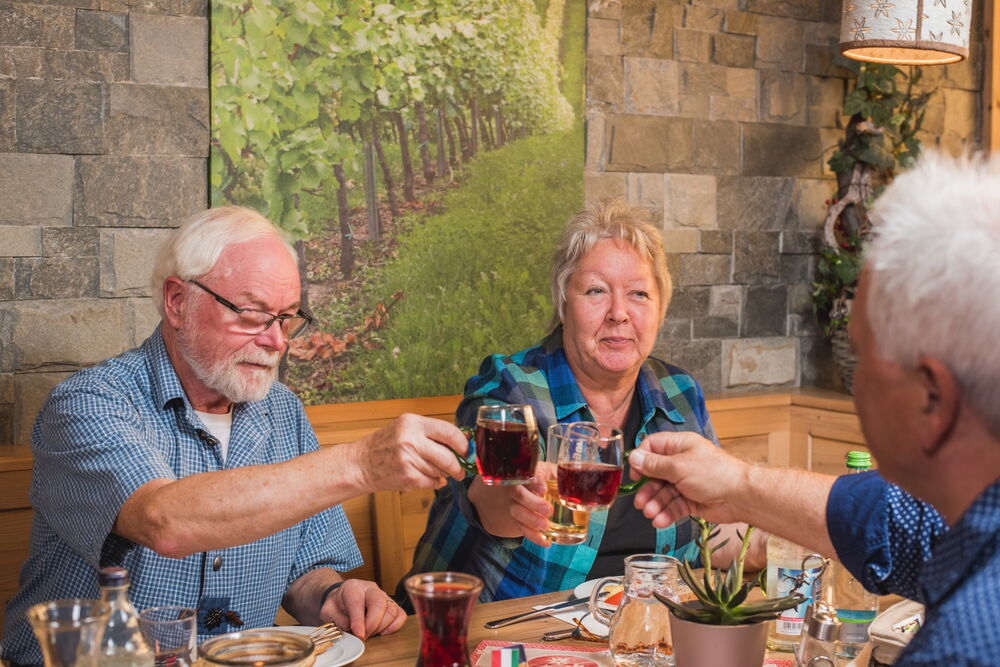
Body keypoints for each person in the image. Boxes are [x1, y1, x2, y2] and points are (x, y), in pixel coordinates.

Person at [2, 206, 469, 666]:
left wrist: (333, 595)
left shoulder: (283, 412)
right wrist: (361, 464)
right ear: (178, 302)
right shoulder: (90, 401)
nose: (277, 341)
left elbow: (306, 572)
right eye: (252, 314)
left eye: (286, 318)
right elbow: (163, 520)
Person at [627, 152, 1000, 666]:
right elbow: (883, 519)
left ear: (931, 399)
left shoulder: (963, 647)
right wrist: (735, 485)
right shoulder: (972, 510)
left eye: (863, 352)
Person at [400, 199, 765, 604]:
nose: (619, 313)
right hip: (487, 631)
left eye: (639, 294)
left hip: (632, 633)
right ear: (563, 303)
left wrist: (775, 540)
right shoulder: (510, 386)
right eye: (596, 291)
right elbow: (491, 508)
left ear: (660, 308)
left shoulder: (678, 392)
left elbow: (712, 536)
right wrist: (519, 495)